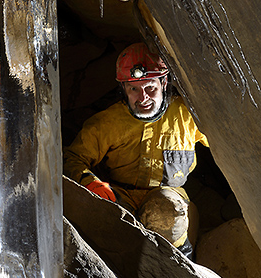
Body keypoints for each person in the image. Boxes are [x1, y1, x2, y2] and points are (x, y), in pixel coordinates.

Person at [63, 42, 209, 258]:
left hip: (169, 195)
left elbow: (230, 145)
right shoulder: (108, 122)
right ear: (123, 88)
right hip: (121, 194)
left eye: (150, 87)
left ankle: (180, 264)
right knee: (109, 219)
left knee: (165, 213)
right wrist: (89, 181)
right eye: (134, 89)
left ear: (164, 82)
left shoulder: (187, 115)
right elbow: (74, 157)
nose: (143, 98)